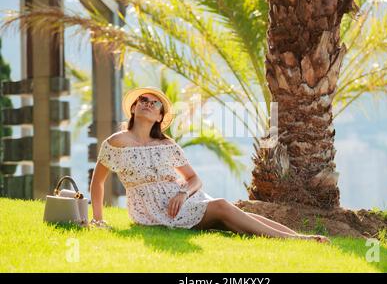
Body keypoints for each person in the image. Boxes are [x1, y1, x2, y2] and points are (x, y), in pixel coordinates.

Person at [89, 86, 330, 243]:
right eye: (143, 100)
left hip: (182, 200)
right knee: (223, 207)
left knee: (233, 213)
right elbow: (98, 183)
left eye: (155, 103)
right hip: (152, 210)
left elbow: (194, 179)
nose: (148, 104)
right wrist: (98, 220)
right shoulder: (116, 143)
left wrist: (183, 193)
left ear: (160, 117)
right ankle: (297, 241)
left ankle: (300, 237)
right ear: (133, 107)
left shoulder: (166, 144)